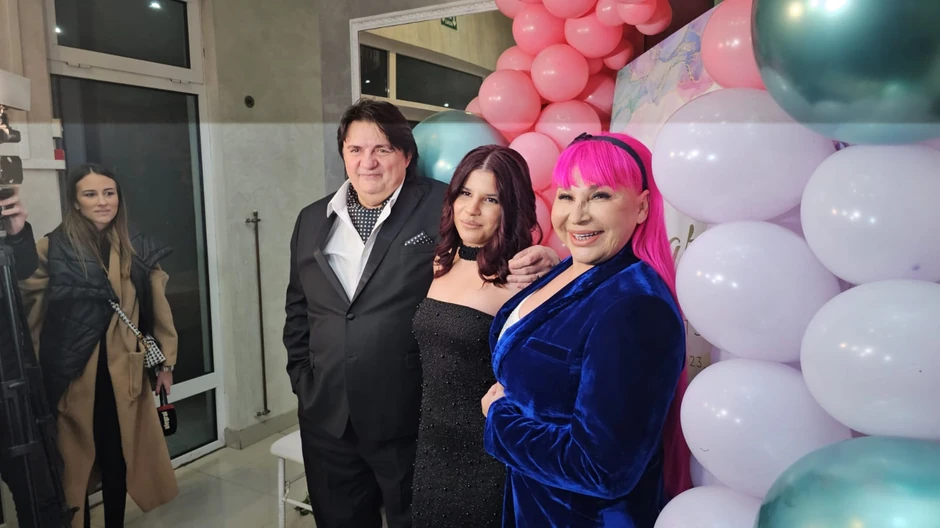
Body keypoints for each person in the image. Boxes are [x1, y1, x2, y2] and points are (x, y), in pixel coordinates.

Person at [283, 99, 559, 528]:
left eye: (382, 149)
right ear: (343, 154)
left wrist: (548, 259)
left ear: (407, 154)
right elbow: (298, 309)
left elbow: (495, 243)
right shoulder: (311, 219)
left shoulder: (444, 204)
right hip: (327, 418)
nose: (368, 162)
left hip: (409, 420)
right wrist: (303, 380)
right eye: (356, 150)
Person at [481, 132, 692, 527]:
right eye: (567, 196)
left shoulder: (636, 308)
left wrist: (499, 417)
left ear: (642, 207)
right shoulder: (571, 267)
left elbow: (601, 468)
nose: (577, 216)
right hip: (533, 506)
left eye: (600, 196)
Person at [19, 164, 179, 527]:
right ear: (75, 202)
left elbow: (158, 308)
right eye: (90, 194)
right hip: (75, 375)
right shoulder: (53, 247)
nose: (102, 201)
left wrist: (165, 364)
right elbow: (28, 300)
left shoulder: (135, 246)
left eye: (109, 193)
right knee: (74, 463)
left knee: (118, 456)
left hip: (125, 373)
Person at [411, 145, 540, 527]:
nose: (471, 209)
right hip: (432, 442)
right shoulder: (441, 261)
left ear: (511, 208)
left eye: (491, 199)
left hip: (488, 452)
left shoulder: (524, 277)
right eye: (465, 193)